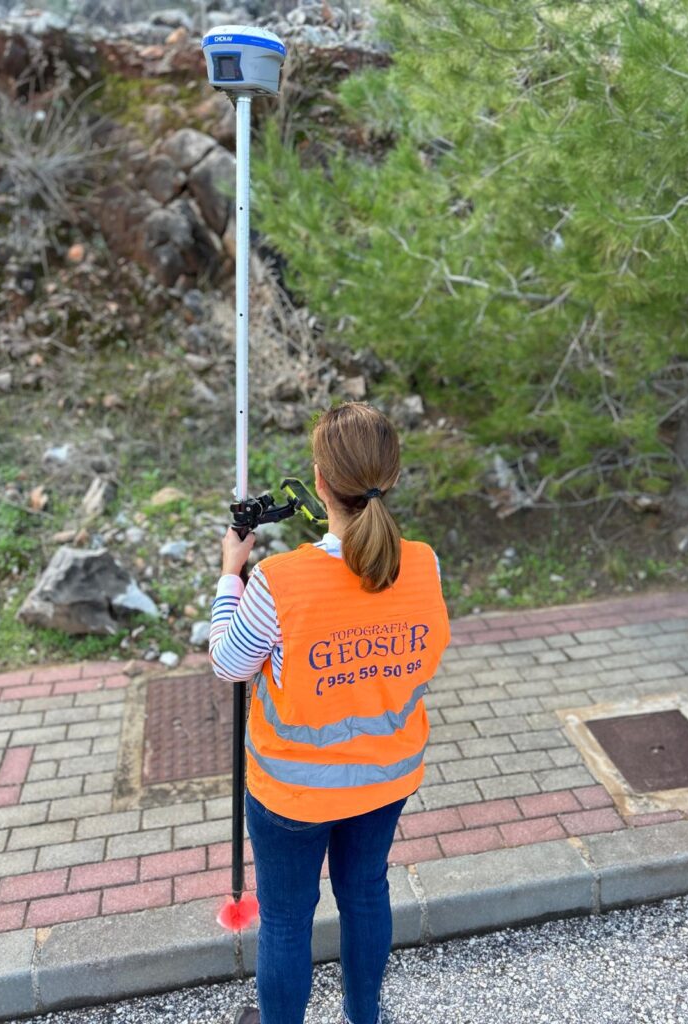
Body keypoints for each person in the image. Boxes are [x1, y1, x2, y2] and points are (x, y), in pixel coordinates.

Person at [209, 402, 451, 1024]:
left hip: (293, 793)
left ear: (319, 482)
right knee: (367, 894)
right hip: (386, 779)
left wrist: (229, 576)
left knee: (287, 919)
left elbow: (230, 663)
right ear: (391, 476)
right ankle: (365, 1018)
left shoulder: (279, 581)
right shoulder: (424, 564)